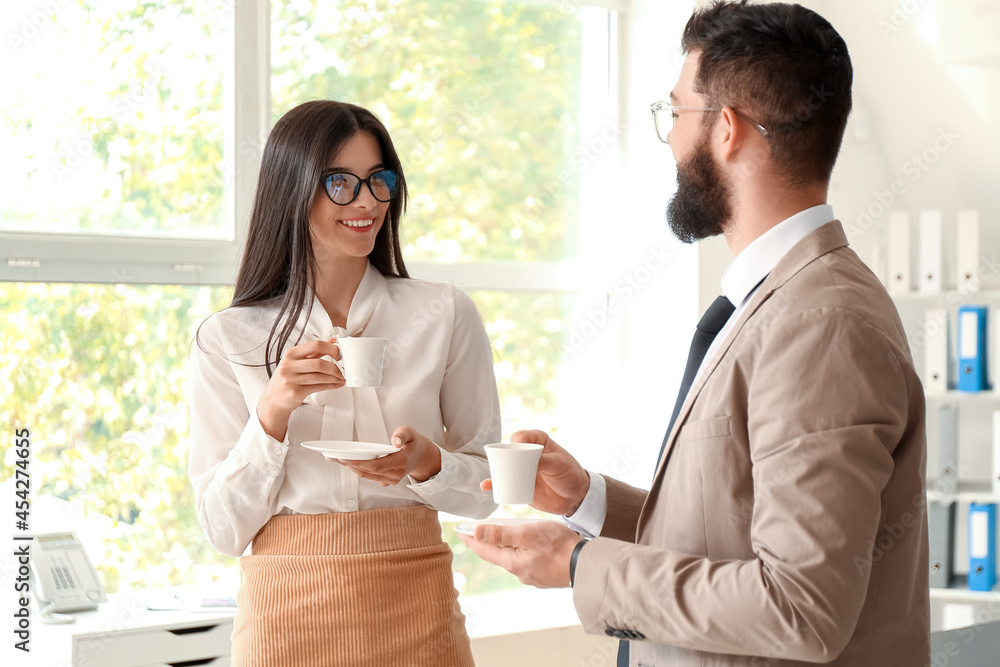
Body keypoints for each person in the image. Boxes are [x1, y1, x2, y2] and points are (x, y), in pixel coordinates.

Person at [460, 2, 930, 666]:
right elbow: (734, 530)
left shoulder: (820, 323)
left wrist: (580, 563)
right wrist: (589, 501)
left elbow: (800, 606)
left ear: (728, 131)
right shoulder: (777, 302)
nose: (673, 137)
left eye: (677, 112)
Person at [188, 100, 500, 667]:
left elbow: (488, 490)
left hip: (418, 611)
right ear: (292, 189)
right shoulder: (229, 336)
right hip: (283, 620)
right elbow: (221, 528)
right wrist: (273, 412)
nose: (367, 202)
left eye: (379, 180)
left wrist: (427, 464)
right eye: (340, 182)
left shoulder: (445, 312)